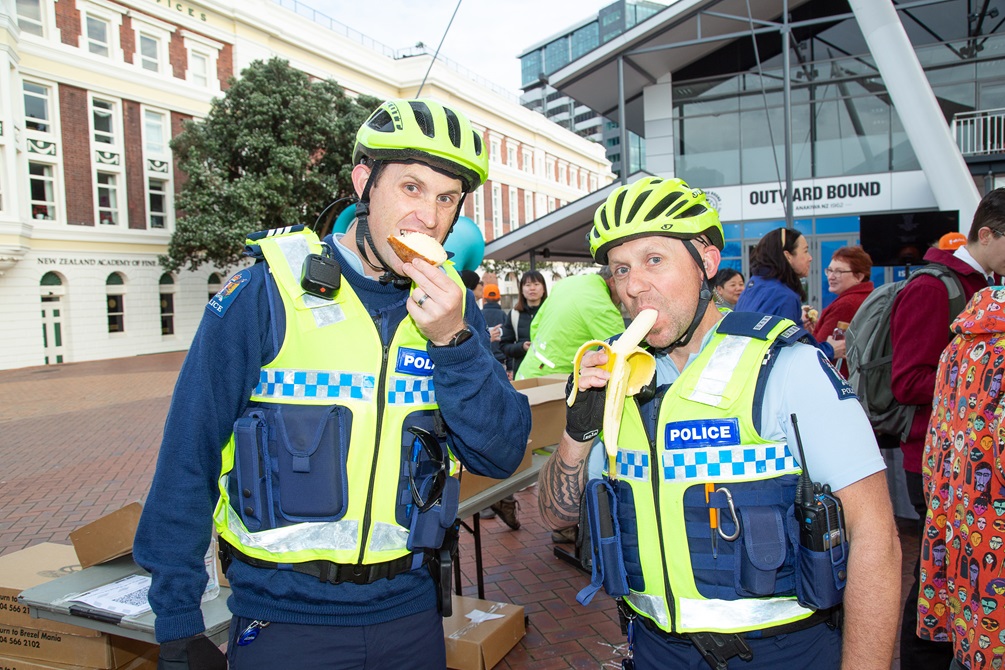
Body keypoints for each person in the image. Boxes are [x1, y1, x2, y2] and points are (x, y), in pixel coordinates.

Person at [132, 98, 532, 670]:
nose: (428, 216)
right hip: (284, 621)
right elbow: (188, 453)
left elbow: (500, 453)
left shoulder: (453, 305)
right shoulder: (266, 289)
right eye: (412, 188)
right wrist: (175, 622)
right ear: (365, 182)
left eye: (447, 198)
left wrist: (454, 341)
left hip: (411, 616)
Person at [538, 176, 900, 669]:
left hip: (782, 653)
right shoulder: (616, 379)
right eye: (620, 268)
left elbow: (876, 536)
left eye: (654, 260)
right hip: (654, 650)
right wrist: (578, 433)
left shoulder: (786, 366)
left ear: (706, 262)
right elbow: (556, 517)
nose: (632, 285)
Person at [891, 189, 1005, 670]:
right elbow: (906, 379)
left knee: (953, 574)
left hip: (958, 462)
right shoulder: (934, 288)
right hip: (937, 461)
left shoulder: (982, 288)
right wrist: (966, 392)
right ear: (987, 234)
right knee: (936, 574)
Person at [916, 287, 1005, 670]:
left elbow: (936, 441)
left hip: (959, 522)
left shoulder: (959, 347)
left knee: (971, 648)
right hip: (996, 533)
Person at [734, 227, 845, 362]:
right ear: (788, 256)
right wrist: (830, 349)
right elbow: (791, 354)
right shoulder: (784, 297)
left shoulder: (755, 284)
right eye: (805, 251)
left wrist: (798, 325)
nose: (810, 258)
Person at [515, 267, 625, 381]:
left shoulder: (567, 282)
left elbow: (535, 324)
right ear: (613, 281)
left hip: (527, 370)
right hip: (553, 380)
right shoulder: (601, 305)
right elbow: (623, 351)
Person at [812, 245, 874, 377]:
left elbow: (817, 352)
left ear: (859, 276)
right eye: (829, 270)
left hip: (838, 381)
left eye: (839, 271)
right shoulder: (869, 297)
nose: (831, 276)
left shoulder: (846, 305)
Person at [500, 270, 547, 374]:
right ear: (521, 289)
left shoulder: (551, 312)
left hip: (547, 370)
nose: (532, 288)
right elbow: (504, 346)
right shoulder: (514, 314)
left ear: (543, 289)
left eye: (536, 284)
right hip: (522, 372)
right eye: (528, 285)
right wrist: (521, 347)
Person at [480, 283, 507, 367]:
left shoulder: (479, 315)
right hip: (501, 360)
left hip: (483, 360)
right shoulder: (503, 315)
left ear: (484, 299)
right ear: (499, 298)